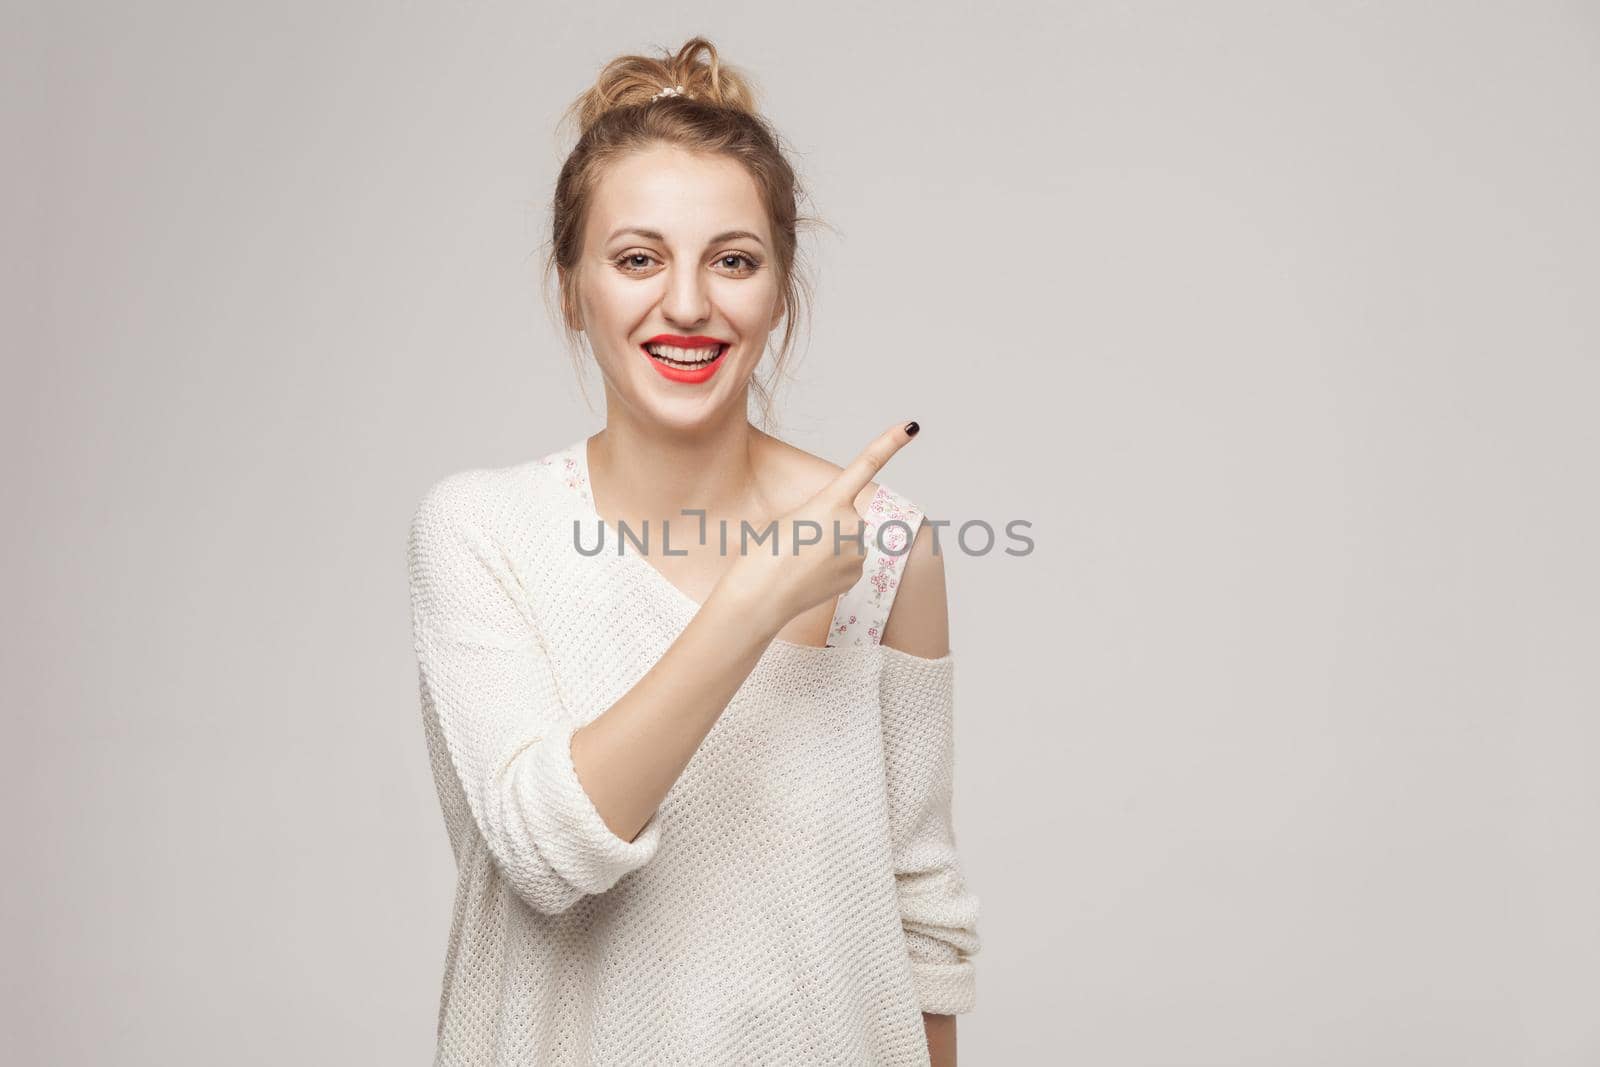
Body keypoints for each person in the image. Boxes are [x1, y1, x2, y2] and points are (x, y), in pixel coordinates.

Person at [406, 36, 981, 1066]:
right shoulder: (480, 529)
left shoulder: (886, 544)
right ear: (572, 285)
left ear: (779, 289)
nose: (686, 303)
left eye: (732, 259)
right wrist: (752, 604)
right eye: (637, 258)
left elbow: (922, 908)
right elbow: (546, 849)